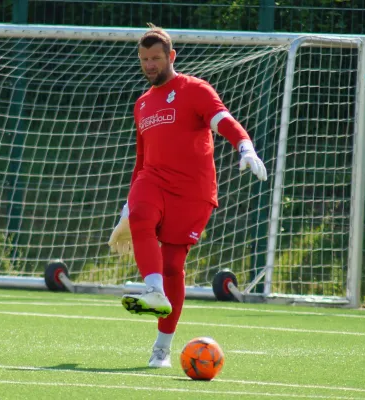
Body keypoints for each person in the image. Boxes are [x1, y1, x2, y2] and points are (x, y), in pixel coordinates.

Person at [108, 23, 267, 368]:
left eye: (156, 58)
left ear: (171, 57)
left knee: (173, 267)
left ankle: (161, 349)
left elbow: (223, 119)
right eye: (144, 59)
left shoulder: (194, 89)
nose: (149, 64)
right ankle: (152, 290)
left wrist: (244, 146)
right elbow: (141, 161)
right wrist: (127, 207)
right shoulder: (142, 104)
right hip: (153, 181)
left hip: (193, 192)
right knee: (142, 216)